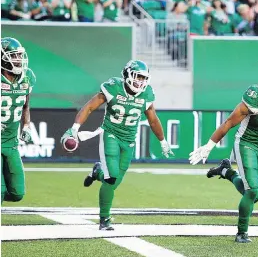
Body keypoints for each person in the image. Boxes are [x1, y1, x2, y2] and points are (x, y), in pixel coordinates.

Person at [62, 60, 174, 230]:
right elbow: (89, 107)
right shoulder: (114, 87)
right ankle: (104, 219)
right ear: (127, 75)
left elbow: (153, 119)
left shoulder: (147, 94)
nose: (140, 82)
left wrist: (163, 141)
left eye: (144, 78)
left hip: (129, 141)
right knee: (112, 176)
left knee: (112, 183)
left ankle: (97, 172)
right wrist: (75, 129)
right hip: (110, 134)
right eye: (137, 77)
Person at [190, 68, 258, 243]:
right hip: (246, 144)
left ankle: (226, 172)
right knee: (252, 190)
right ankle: (242, 232)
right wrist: (209, 145)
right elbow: (230, 121)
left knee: (257, 195)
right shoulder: (256, 96)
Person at [1, 38, 35, 203]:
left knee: (17, 193)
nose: (18, 60)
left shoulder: (27, 77)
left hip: (11, 143)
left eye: (20, 55)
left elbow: (26, 106)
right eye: (13, 56)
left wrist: (27, 126)